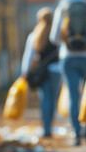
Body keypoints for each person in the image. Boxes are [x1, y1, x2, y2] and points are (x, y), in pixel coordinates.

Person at [50, 0, 86, 146]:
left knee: (73, 96)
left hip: (68, 57)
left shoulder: (62, 8)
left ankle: (76, 134)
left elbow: (54, 37)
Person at [21, 7, 61, 138]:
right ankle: (50, 125)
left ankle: (46, 129)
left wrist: (25, 72)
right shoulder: (57, 35)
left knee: (44, 100)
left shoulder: (34, 36)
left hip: (41, 73)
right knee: (52, 101)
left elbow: (29, 55)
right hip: (56, 70)